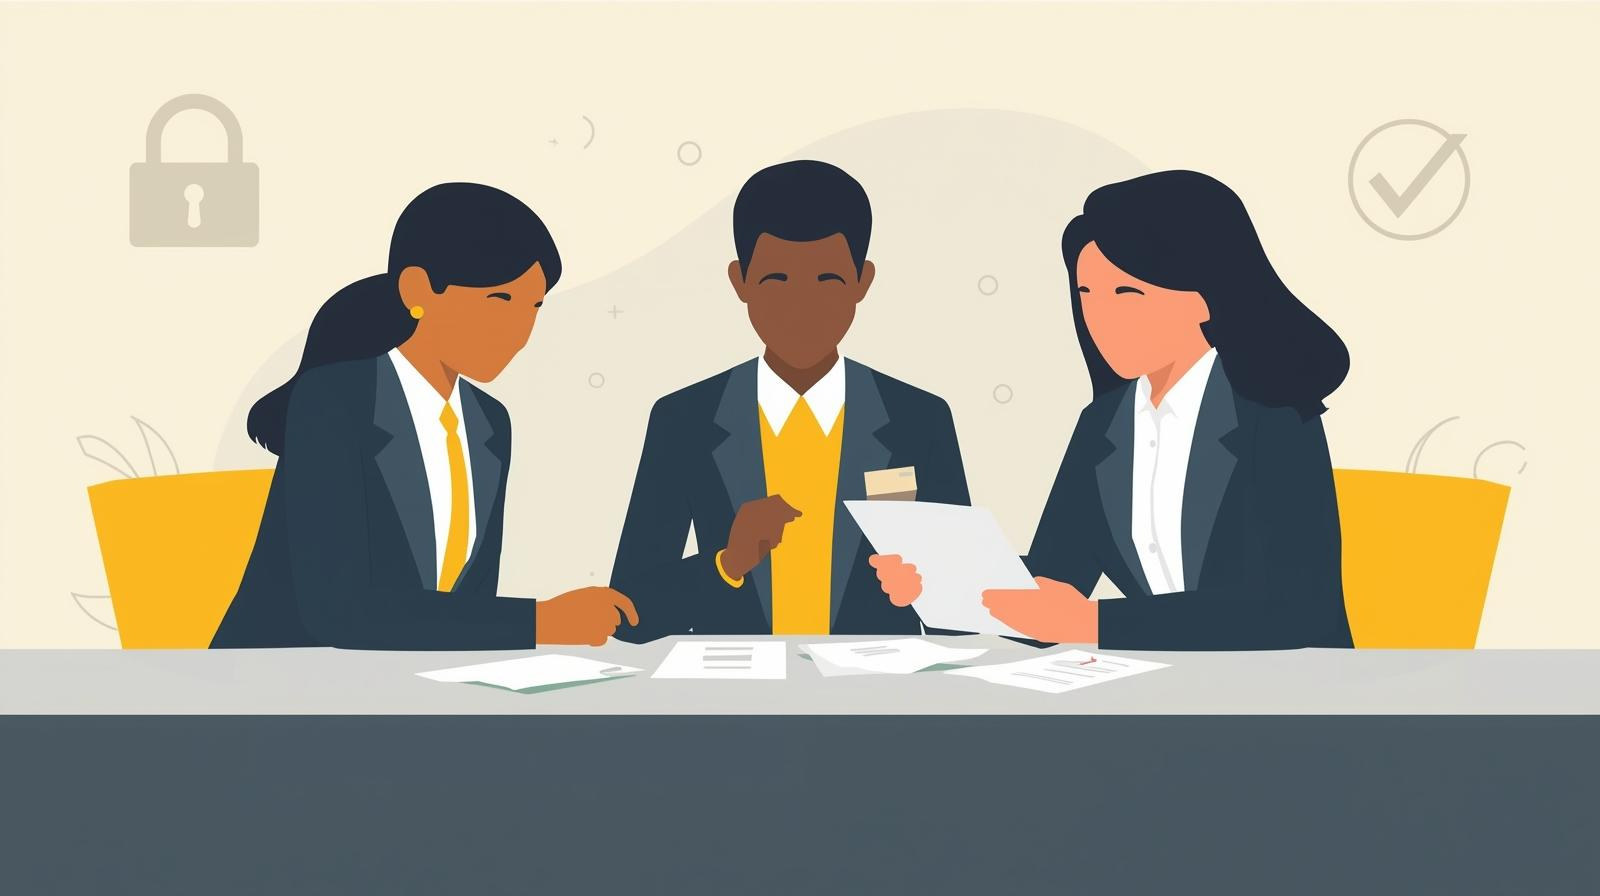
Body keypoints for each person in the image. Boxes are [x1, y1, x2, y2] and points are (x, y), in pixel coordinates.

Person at [871, 170, 1354, 650]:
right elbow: (1055, 581)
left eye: (1128, 293)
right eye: (1086, 295)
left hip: (1290, 696)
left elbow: (1296, 609)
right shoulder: (1105, 423)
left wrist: (1095, 625)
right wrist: (940, 587)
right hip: (1167, 689)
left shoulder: (1273, 410)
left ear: (1204, 299)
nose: (1100, 318)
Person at [212, 183, 637, 649]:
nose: (521, 331)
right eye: (500, 301)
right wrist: (539, 623)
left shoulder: (489, 423)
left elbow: (468, 600)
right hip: (283, 688)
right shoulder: (334, 401)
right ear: (418, 289)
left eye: (534, 307)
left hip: (409, 686)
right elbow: (340, 611)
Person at [611, 160, 970, 641]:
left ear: (863, 282)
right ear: (740, 282)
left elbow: (963, 614)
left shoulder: (918, 420)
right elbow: (632, 614)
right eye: (777, 282)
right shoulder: (684, 420)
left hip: (877, 697)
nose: (802, 308)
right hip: (734, 699)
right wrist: (727, 564)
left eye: (828, 282)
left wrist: (930, 591)